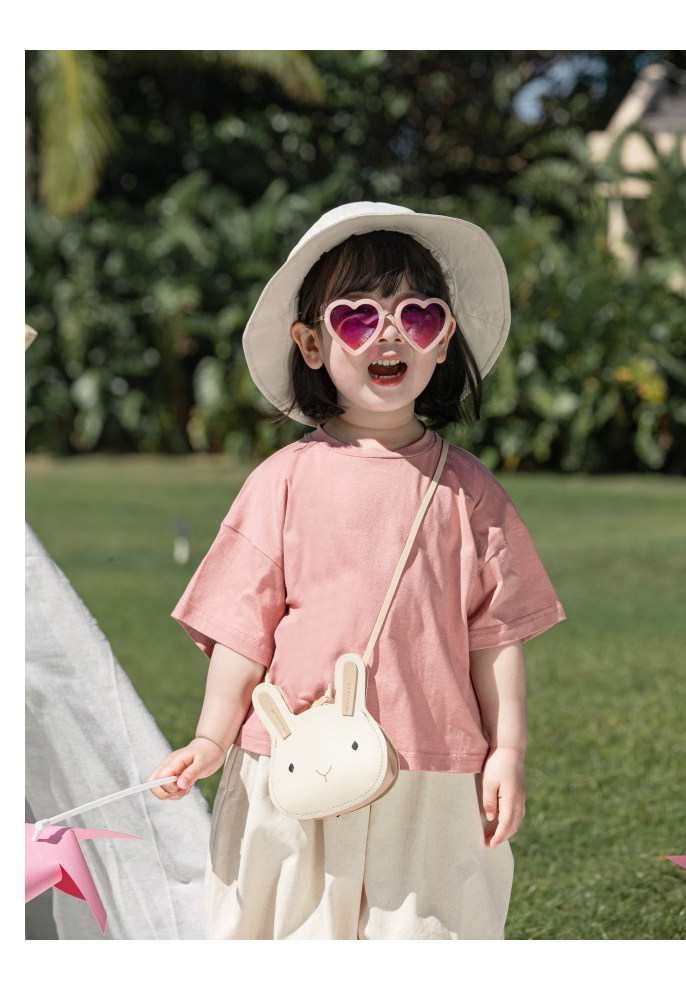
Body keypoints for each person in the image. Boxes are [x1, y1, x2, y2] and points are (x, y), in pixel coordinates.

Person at [149, 202, 566, 940]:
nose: (390, 334)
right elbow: (243, 631)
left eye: (419, 316)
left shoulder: (469, 493)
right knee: (288, 930)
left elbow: (496, 640)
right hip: (296, 762)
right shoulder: (282, 481)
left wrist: (508, 751)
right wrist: (211, 738)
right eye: (357, 318)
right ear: (311, 344)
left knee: (425, 935)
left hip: (429, 772)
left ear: (444, 342)